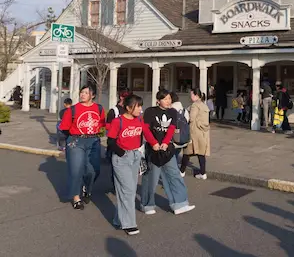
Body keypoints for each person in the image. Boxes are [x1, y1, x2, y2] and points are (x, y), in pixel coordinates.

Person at [141, 89, 195, 215]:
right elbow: (146, 129)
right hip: (153, 149)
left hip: (167, 149)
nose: (168, 101)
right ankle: (147, 204)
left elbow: (171, 129)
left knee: (174, 175)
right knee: (151, 178)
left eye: (169, 98)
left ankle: (179, 203)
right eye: (165, 99)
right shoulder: (150, 111)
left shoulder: (172, 112)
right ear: (158, 100)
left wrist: (165, 143)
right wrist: (154, 143)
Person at [59, 85, 105, 210]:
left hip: (93, 140)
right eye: (81, 92)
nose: (82, 94)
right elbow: (63, 128)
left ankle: (87, 188)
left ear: (93, 95)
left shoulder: (99, 109)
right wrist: (68, 142)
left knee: (93, 170)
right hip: (76, 141)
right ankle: (76, 197)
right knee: (76, 170)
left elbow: (102, 124)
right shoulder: (72, 110)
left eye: (86, 92)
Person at [107, 94, 145, 236]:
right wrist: (121, 153)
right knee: (128, 190)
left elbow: (141, 136)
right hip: (121, 158)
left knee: (129, 189)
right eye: (138, 106)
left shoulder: (139, 120)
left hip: (135, 156)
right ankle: (129, 224)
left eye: (141, 106)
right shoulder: (118, 121)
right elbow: (110, 141)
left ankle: (119, 219)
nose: (140, 109)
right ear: (129, 108)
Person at [180, 89, 211, 179]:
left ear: (196, 95)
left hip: (194, 132)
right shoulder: (204, 105)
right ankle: (203, 173)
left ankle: (182, 171)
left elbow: (192, 118)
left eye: (192, 95)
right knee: (201, 153)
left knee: (187, 152)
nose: (191, 97)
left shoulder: (195, 105)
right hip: (203, 132)